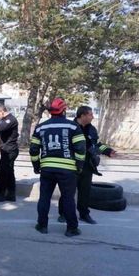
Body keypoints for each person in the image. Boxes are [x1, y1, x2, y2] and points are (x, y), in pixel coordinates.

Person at [29, 97, 86, 237]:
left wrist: (36, 166)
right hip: (68, 171)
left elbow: (33, 149)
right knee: (68, 199)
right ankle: (71, 229)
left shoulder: (41, 127)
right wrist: (79, 166)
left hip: (47, 169)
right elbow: (80, 149)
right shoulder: (73, 127)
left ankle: (42, 226)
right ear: (64, 110)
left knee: (44, 198)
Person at [57, 106, 116, 224]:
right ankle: (63, 213)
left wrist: (108, 151)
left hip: (87, 166)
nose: (92, 117)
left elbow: (96, 144)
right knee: (68, 192)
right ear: (82, 115)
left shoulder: (92, 129)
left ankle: (84, 214)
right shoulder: (69, 127)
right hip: (71, 165)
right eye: (90, 114)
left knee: (85, 192)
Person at [0, 104, 19, 202]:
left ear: (2, 112)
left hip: (10, 150)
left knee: (1, 173)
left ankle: (1, 195)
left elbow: (0, 128)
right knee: (9, 172)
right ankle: (11, 195)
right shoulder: (5, 120)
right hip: (6, 149)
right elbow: (5, 136)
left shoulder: (10, 119)